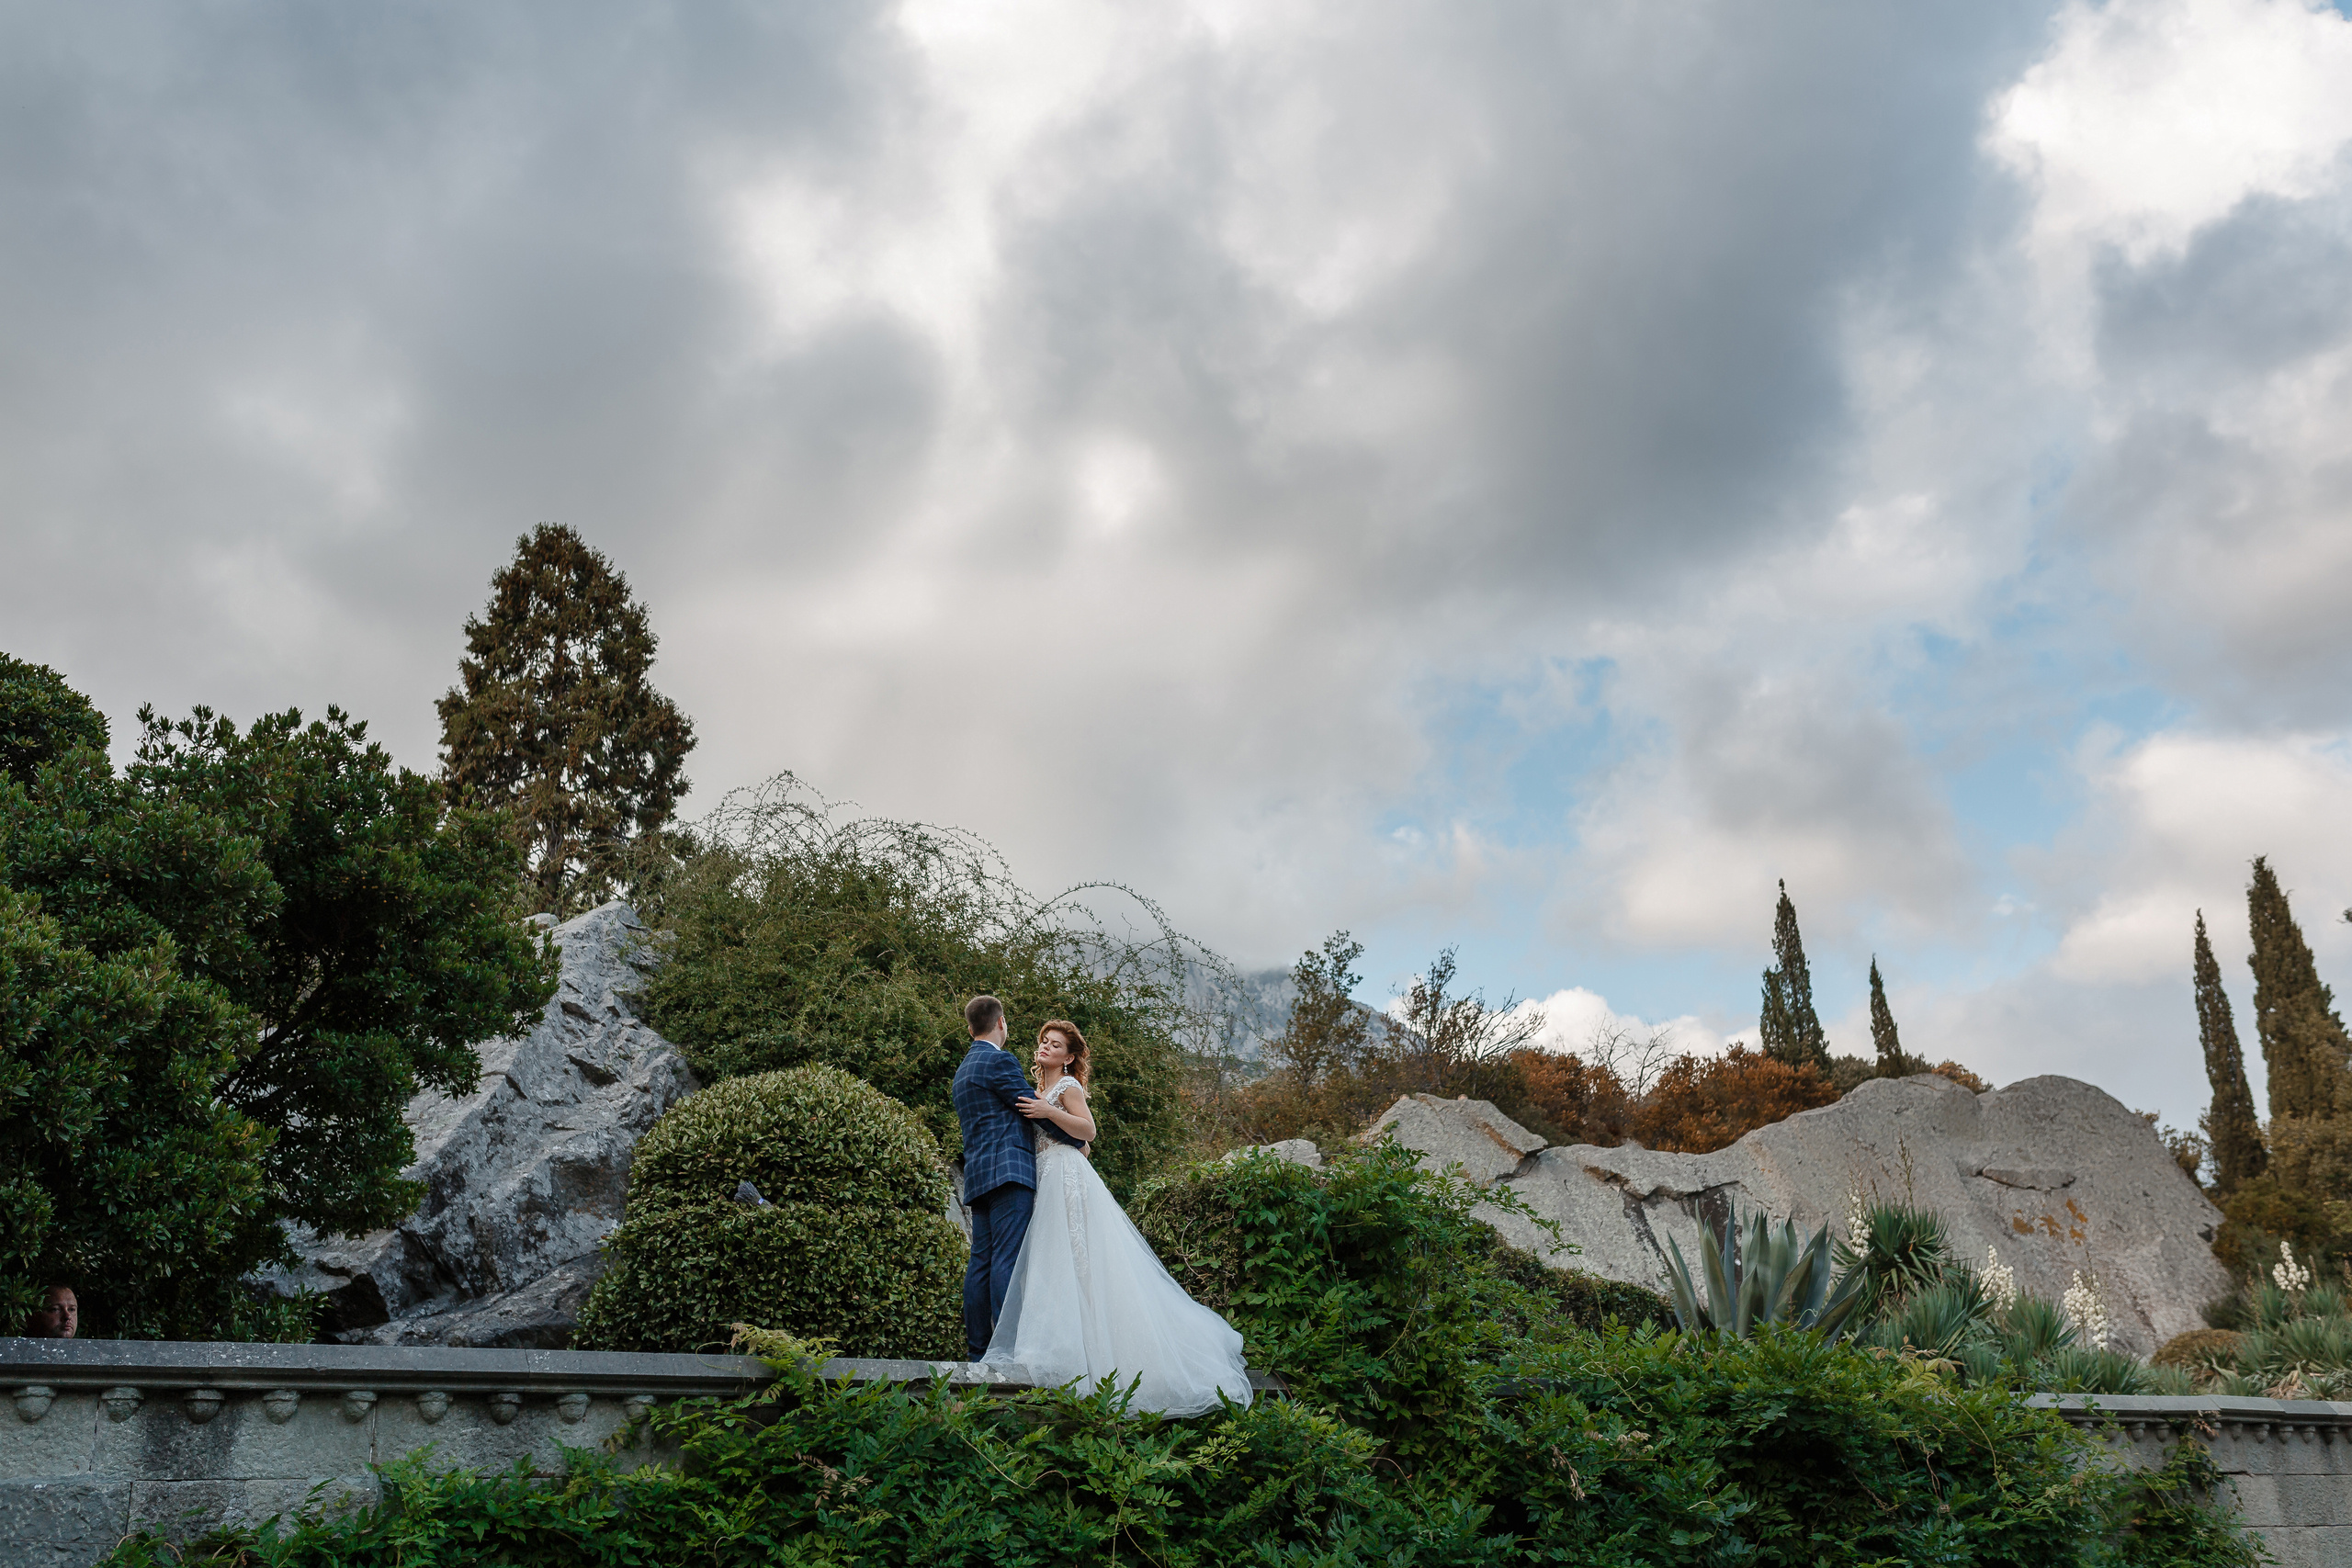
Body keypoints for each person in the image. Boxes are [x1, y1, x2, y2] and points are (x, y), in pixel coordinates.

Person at [981, 1020, 1253, 1416]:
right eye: (1043, 1042)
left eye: (1055, 1045)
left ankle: (1101, 1356)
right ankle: (1065, 1348)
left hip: (1065, 1179)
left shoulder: (1067, 1088)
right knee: (1053, 1264)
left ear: (1069, 1057)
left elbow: (1088, 1131)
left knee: (1081, 1260)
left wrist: (1046, 1112)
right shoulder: (1037, 1090)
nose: (1045, 1048)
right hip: (1044, 1176)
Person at [951, 994, 1040, 1360]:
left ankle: (978, 1352)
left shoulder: (962, 1072)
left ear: (970, 1028)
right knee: (1007, 1259)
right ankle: (1006, 1351)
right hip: (1010, 1173)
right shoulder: (998, 1060)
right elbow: (1033, 1108)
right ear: (1001, 1023)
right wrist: (1077, 1138)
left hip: (979, 1178)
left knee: (982, 1263)